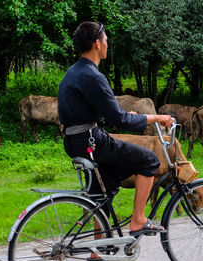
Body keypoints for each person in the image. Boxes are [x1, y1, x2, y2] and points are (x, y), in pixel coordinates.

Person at [58, 21, 173, 239]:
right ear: (97, 44)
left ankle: (98, 248)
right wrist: (157, 117)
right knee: (149, 161)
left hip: (76, 143)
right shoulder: (94, 77)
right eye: (106, 40)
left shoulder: (72, 73)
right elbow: (119, 118)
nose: (108, 44)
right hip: (93, 142)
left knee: (106, 186)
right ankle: (139, 219)